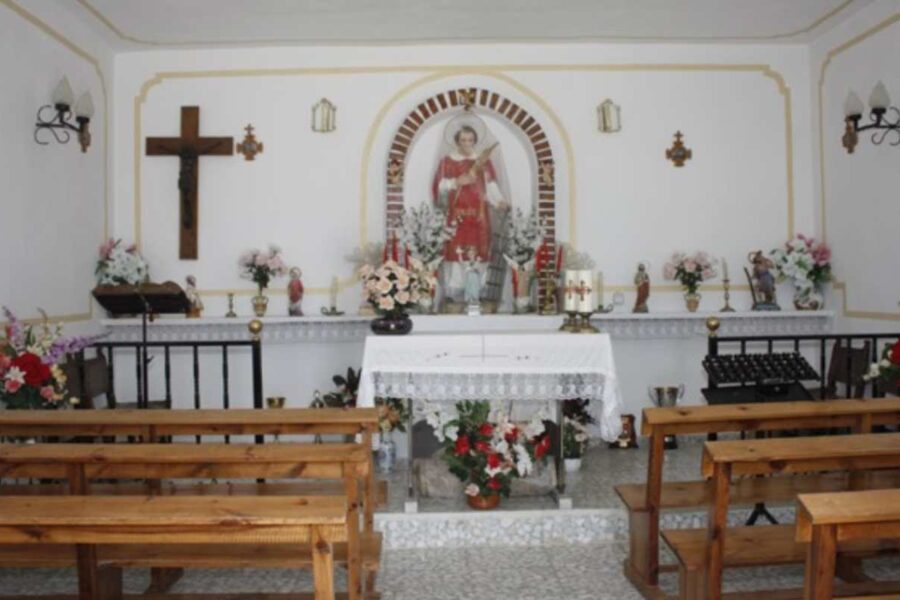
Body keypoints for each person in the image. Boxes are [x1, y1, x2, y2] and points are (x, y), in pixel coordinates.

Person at [432, 120, 510, 305]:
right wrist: (456, 182)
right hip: (457, 214)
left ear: (475, 141)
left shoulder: (482, 161)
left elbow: (490, 185)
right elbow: (438, 186)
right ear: (456, 141)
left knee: (479, 252)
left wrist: (499, 201)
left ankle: (476, 293)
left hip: (479, 215)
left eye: (470, 140)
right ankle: (454, 295)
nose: (467, 144)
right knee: (456, 252)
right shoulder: (448, 161)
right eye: (463, 140)